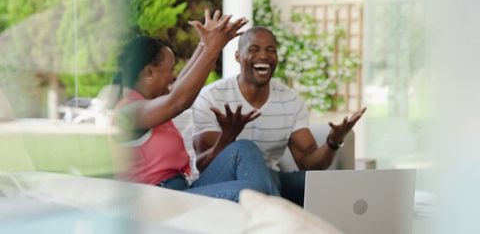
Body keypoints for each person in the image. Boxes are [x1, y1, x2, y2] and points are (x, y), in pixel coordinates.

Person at [112, 11, 279, 202]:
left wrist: (205, 44)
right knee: (249, 191)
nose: (174, 76)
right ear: (149, 72)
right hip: (159, 202)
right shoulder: (128, 111)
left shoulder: (152, 106)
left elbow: (180, 87)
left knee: (243, 149)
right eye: (171, 69)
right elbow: (179, 100)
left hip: (183, 191)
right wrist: (213, 48)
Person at [192, 26, 366, 206]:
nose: (263, 56)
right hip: (222, 184)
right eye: (254, 49)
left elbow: (309, 165)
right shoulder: (212, 96)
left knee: (326, 186)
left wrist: (333, 142)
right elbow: (204, 167)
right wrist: (228, 136)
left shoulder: (289, 99)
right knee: (246, 148)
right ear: (237, 56)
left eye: (270, 50)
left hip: (269, 178)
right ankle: (276, 214)